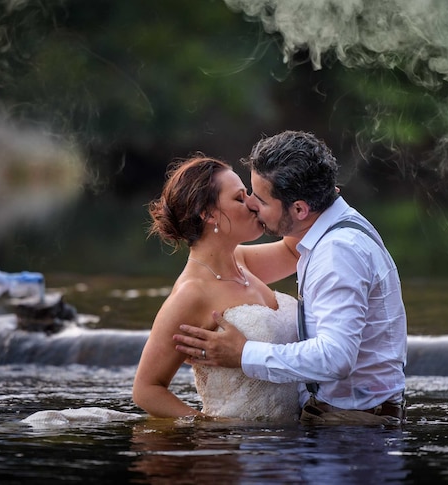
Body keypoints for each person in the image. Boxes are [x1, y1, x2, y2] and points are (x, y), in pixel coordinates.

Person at [173, 131, 408, 425]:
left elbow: (335, 358)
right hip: (346, 419)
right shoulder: (333, 226)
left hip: (351, 429)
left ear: (299, 208)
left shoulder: (337, 252)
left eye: (260, 199)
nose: (251, 205)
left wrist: (244, 353)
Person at [131, 155, 302, 421]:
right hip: (234, 449)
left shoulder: (243, 261)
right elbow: (146, 389)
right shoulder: (192, 293)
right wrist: (209, 427)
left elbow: (296, 250)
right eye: (240, 198)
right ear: (208, 213)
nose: (254, 204)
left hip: (290, 444)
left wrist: (308, 193)